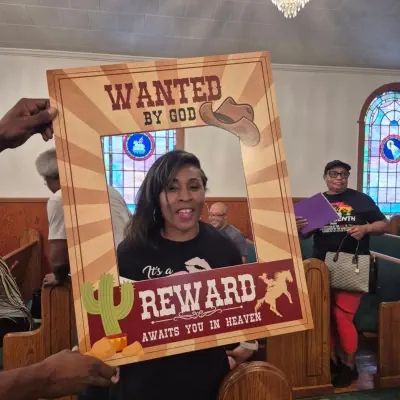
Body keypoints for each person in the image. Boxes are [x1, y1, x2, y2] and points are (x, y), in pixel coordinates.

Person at [87, 150, 255, 400]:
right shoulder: (131, 251)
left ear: (204, 192)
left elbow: (243, 319)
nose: (185, 196)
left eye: (194, 186)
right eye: (172, 188)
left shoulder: (224, 249)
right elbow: (112, 321)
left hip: (205, 383)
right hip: (143, 384)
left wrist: (246, 346)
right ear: (156, 195)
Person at [0, 98, 119, 399]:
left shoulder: (58, 198)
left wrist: (59, 276)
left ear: (52, 179)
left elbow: (58, 256)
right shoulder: (109, 189)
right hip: (125, 279)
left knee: (92, 364)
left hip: (99, 288)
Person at [296, 160, 389, 388]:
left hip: (352, 265)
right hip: (321, 267)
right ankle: (331, 361)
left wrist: (366, 228)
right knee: (324, 315)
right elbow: (304, 234)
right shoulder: (317, 203)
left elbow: (383, 225)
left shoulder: (361, 199)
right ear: (325, 177)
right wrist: (298, 227)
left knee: (341, 316)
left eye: (343, 174)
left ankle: (349, 364)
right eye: (334, 174)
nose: (339, 178)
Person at [35, 148, 131, 287]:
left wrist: (58, 277)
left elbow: (59, 261)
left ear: (56, 177)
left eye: (46, 181)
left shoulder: (60, 198)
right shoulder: (111, 191)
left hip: (101, 279)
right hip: (129, 271)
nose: (47, 186)